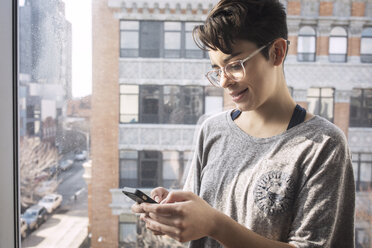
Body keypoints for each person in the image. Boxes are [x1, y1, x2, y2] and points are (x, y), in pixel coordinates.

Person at [132, 0, 355, 247]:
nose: (224, 82)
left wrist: (215, 225)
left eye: (235, 65)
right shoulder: (212, 130)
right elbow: (198, 221)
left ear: (277, 52)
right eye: (217, 69)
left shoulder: (323, 145)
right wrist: (174, 213)